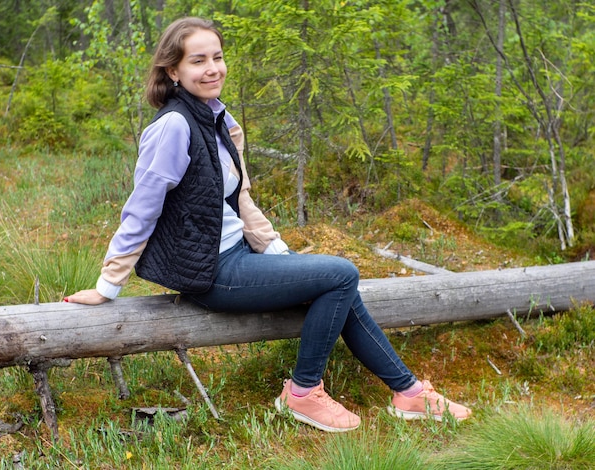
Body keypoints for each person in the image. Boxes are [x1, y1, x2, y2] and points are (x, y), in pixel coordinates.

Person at [64, 17, 471, 432]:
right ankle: (302, 393)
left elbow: (239, 200)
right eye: (198, 61)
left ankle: (409, 394)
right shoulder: (174, 126)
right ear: (174, 71)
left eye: (218, 58)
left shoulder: (218, 120)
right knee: (342, 274)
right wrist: (107, 285)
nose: (212, 69)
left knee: (336, 284)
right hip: (212, 271)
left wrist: (280, 255)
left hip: (239, 255)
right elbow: (142, 207)